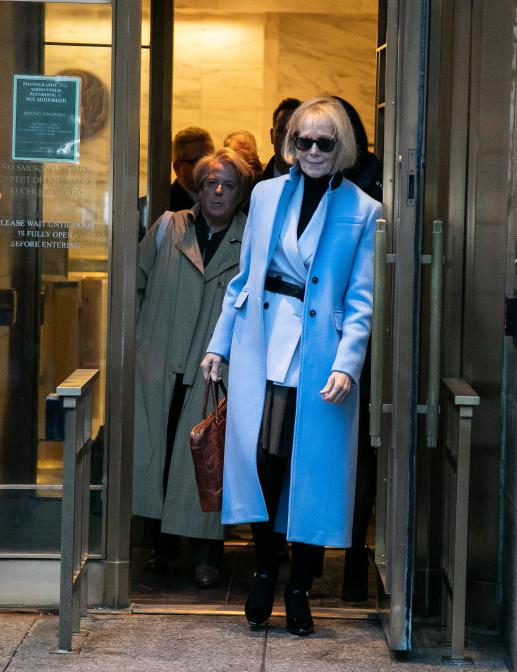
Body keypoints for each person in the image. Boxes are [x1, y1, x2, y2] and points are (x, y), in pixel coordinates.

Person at [201, 97, 381, 636]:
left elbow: (361, 299)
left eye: (325, 142)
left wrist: (348, 363)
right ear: (291, 143)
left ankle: (299, 587)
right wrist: (218, 345)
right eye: (304, 141)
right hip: (262, 341)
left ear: (341, 146)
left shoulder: (364, 209)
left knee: (312, 471)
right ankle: (263, 570)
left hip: (322, 352)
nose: (314, 151)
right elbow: (242, 280)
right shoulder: (265, 194)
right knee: (263, 462)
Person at [134, 147, 253, 588]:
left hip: (216, 367)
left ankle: (207, 556)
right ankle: (160, 549)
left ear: (240, 194)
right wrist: (140, 342)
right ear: (197, 189)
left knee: (208, 457)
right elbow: (135, 285)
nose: (218, 192)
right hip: (159, 361)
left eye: (228, 185)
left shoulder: (252, 238)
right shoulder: (169, 228)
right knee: (160, 450)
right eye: (210, 183)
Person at [333, 96, 382, 602]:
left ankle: (353, 553)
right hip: (317, 333)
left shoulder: (373, 186)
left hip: (369, 334)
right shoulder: (296, 186)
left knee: (362, 448)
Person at [254, 97, 301, 185]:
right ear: (272, 136)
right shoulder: (255, 185)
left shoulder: (320, 185)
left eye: (294, 131)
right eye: (281, 131)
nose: (286, 138)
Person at [169, 127, 215, 212]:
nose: (207, 167)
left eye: (210, 159)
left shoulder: (225, 199)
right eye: (198, 161)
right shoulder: (162, 205)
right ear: (178, 168)